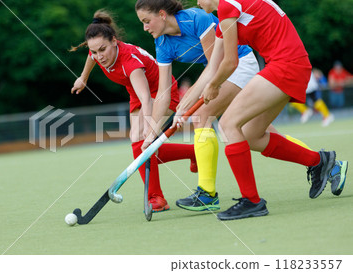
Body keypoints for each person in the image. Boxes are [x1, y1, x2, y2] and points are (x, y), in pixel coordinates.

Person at [173, 0, 348, 220]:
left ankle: (251, 201)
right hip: (289, 64)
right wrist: (183, 107)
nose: (197, 2)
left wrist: (214, 85)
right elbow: (211, 69)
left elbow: (230, 63)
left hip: (285, 65)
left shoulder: (228, 5)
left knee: (228, 124)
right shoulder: (222, 22)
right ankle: (321, 161)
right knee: (251, 135)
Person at [135, 0, 312, 212]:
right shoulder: (163, 44)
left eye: (147, 21)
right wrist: (151, 133)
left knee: (204, 116)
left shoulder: (196, 19)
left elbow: (217, 64)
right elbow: (163, 94)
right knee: (255, 135)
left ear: (162, 15)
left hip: (239, 64)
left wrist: (189, 102)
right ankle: (321, 161)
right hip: (220, 71)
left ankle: (207, 193)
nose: (144, 27)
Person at [70, 9, 197, 212]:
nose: (98, 56)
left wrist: (150, 129)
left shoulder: (130, 62)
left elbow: (147, 99)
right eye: (94, 51)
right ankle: (193, 152)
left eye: (102, 50)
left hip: (162, 91)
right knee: (140, 144)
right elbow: (90, 58)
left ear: (114, 41)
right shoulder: (97, 51)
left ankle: (156, 198)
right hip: (136, 93)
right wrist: (83, 78)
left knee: (142, 140)